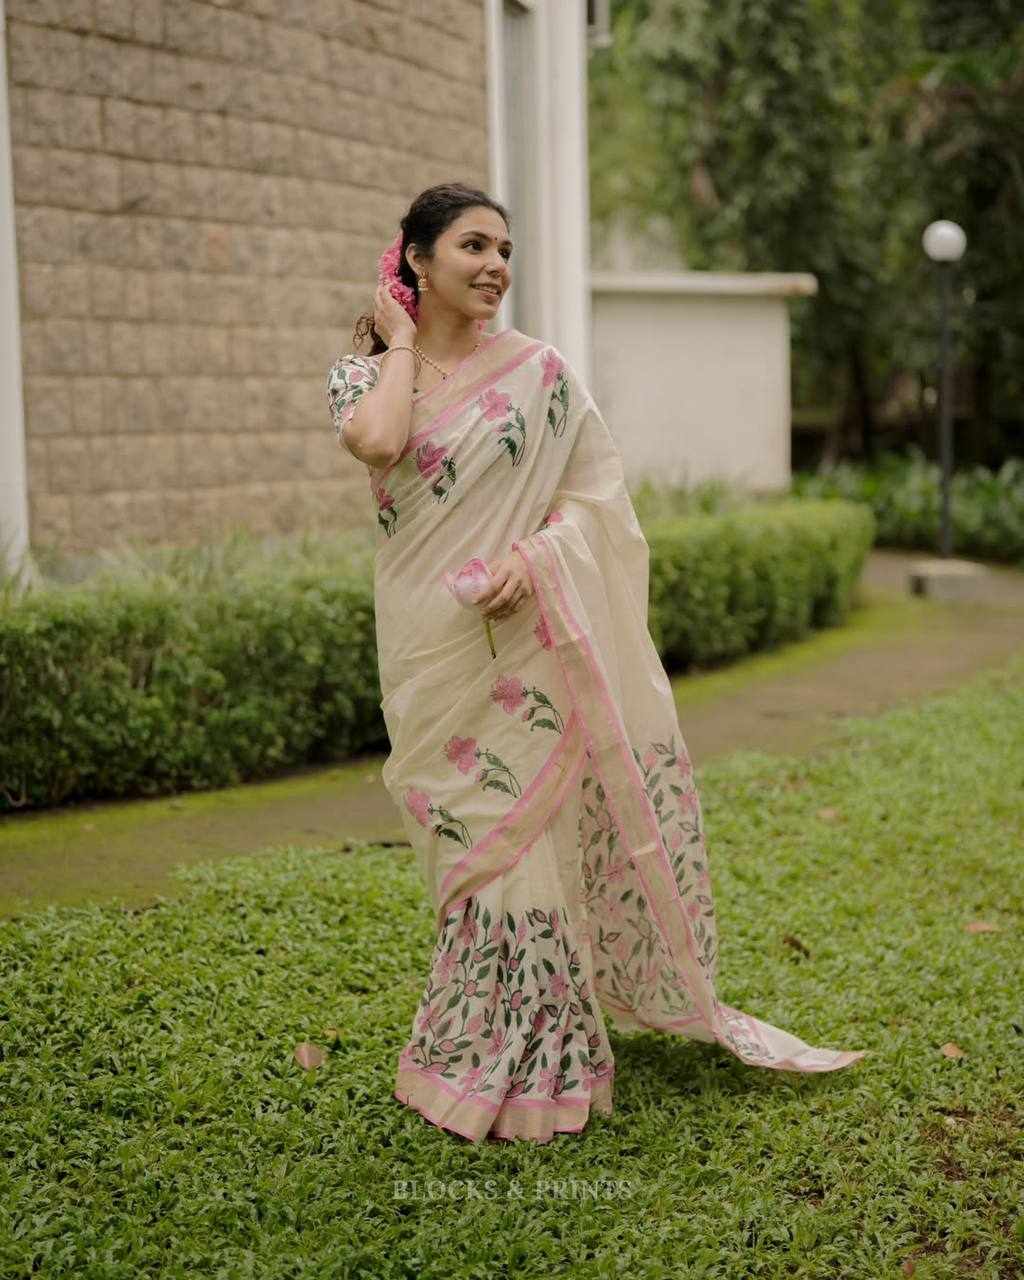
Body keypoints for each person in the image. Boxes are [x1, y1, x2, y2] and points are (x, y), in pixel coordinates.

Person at [326, 181, 867, 1145]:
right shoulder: (362, 375)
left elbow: (597, 502)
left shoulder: (540, 374)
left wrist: (537, 560)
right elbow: (379, 442)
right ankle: (472, 1041)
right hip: (426, 646)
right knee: (467, 842)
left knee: (526, 844)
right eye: (473, 246)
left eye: (505, 250)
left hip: (524, 639)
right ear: (415, 257)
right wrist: (401, 341)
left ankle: (543, 1056)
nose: (496, 266)